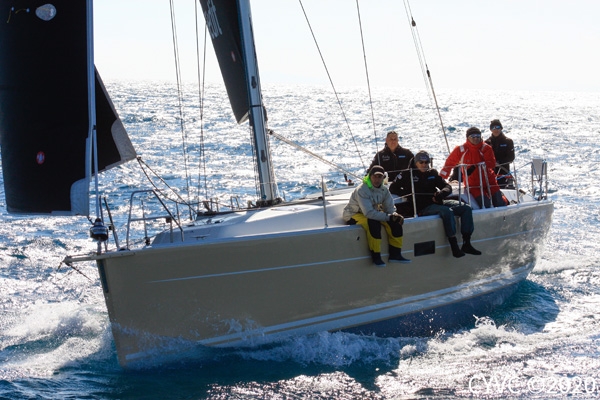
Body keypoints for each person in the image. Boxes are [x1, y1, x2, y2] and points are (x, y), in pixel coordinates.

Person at [391, 151, 481, 258]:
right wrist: (409, 195)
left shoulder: (432, 173)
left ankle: (467, 242)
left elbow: (447, 186)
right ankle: (454, 245)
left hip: (437, 202)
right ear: (416, 162)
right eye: (421, 162)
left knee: (466, 208)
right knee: (447, 211)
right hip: (422, 207)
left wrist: (441, 194)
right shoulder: (407, 174)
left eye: (426, 162)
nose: (424, 165)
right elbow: (393, 187)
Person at [343, 165, 410, 266]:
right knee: (373, 223)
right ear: (369, 177)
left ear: (383, 178)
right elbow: (368, 213)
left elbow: (390, 208)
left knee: (396, 223)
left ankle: (395, 254)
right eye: (374, 176)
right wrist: (389, 217)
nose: (377, 179)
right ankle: (376, 257)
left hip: (372, 212)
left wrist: (394, 216)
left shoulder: (384, 190)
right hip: (354, 214)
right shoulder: (362, 190)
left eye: (380, 177)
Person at [440, 127, 507, 208]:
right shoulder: (460, 149)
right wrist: (441, 179)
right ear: (468, 137)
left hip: (489, 181)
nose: (476, 138)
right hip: (473, 185)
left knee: (500, 203)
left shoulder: (486, 148)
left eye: (478, 136)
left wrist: (476, 165)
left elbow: (491, 163)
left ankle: (505, 201)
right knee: (486, 204)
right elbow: (449, 163)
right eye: (473, 136)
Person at [485, 119, 515, 188]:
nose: (496, 129)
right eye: (493, 127)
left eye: (497, 127)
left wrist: (499, 162)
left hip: (504, 172)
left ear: (501, 128)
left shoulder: (508, 141)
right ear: (491, 129)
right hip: (490, 173)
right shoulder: (487, 143)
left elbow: (511, 157)